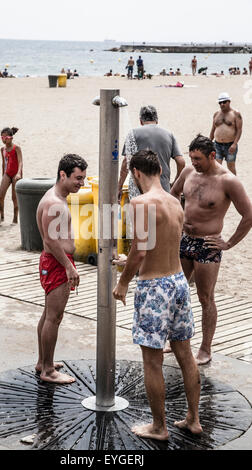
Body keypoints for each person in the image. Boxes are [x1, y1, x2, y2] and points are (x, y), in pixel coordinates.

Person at [113, 149, 202, 440]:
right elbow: (161, 245)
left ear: (137, 174)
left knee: (152, 361)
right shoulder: (175, 203)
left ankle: (159, 427)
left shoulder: (140, 202)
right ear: (159, 171)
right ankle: (193, 419)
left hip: (153, 289)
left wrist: (124, 282)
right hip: (178, 282)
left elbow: (139, 250)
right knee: (186, 355)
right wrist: (132, 261)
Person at [171, 134, 252, 365]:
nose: (193, 162)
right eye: (191, 158)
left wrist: (229, 243)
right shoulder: (187, 172)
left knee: (205, 297)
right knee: (177, 292)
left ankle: (205, 349)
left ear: (212, 155)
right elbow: (174, 193)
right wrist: (177, 221)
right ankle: (175, 339)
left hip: (208, 245)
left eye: (198, 158)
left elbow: (249, 215)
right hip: (185, 240)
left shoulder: (228, 181)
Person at [35, 154, 88, 384]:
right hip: (56, 262)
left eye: (84, 178)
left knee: (49, 314)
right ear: (63, 174)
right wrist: (69, 267)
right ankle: (48, 370)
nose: (82, 183)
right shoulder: (55, 203)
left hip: (55, 262)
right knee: (54, 317)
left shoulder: (56, 197)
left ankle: (43, 361)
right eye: (78, 178)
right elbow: (50, 241)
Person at [118, 105, 185, 201]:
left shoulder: (133, 133)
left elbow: (126, 163)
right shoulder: (169, 134)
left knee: (141, 215)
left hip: (140, 191)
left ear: (141, 121)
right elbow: (181, 162)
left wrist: (119, 186)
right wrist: (175, 182)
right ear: (157, 120)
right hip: (163, 189)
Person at [209, 92, 243, 175]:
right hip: (217, 144)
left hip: (230, 144)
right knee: (216, 166)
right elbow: (213, 129)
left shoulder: (235, 114)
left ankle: (234, 186)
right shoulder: (216, 114)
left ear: (229, 102)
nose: (222, 104)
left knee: (231, 167)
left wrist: (235, 144)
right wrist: (209, 142)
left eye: (224, 102)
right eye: (220, 103)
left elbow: (239, 130)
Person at [0, 127, 23, 225]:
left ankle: (15, 219)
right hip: (7, 174)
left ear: (11, 138)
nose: (4, 139)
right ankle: (2, 217)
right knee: (0, 196)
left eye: (6, 137)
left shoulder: (16, 148)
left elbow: (20, 162)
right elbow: (3, 163)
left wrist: (18, 173)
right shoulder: (2, 149)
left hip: (16, 174)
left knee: (14, 197)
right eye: (2, 137)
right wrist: (3, 175)